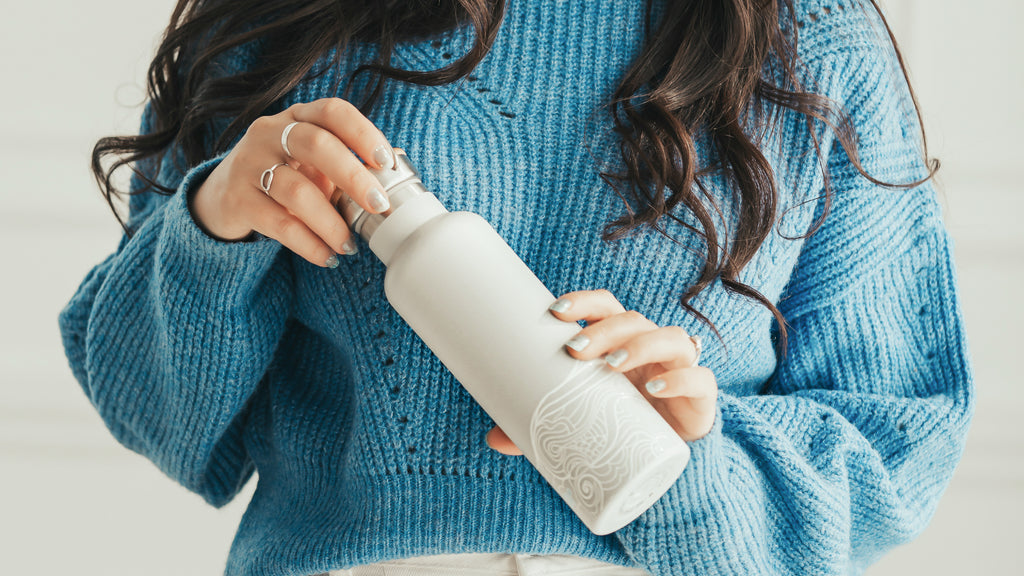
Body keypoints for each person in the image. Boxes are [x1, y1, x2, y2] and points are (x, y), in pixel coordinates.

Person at [60, 0, 975, 574]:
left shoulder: (806, 38)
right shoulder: (273, 26)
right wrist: (213, 220)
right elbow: (160, 421)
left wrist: (690, 463)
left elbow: (899, 443)